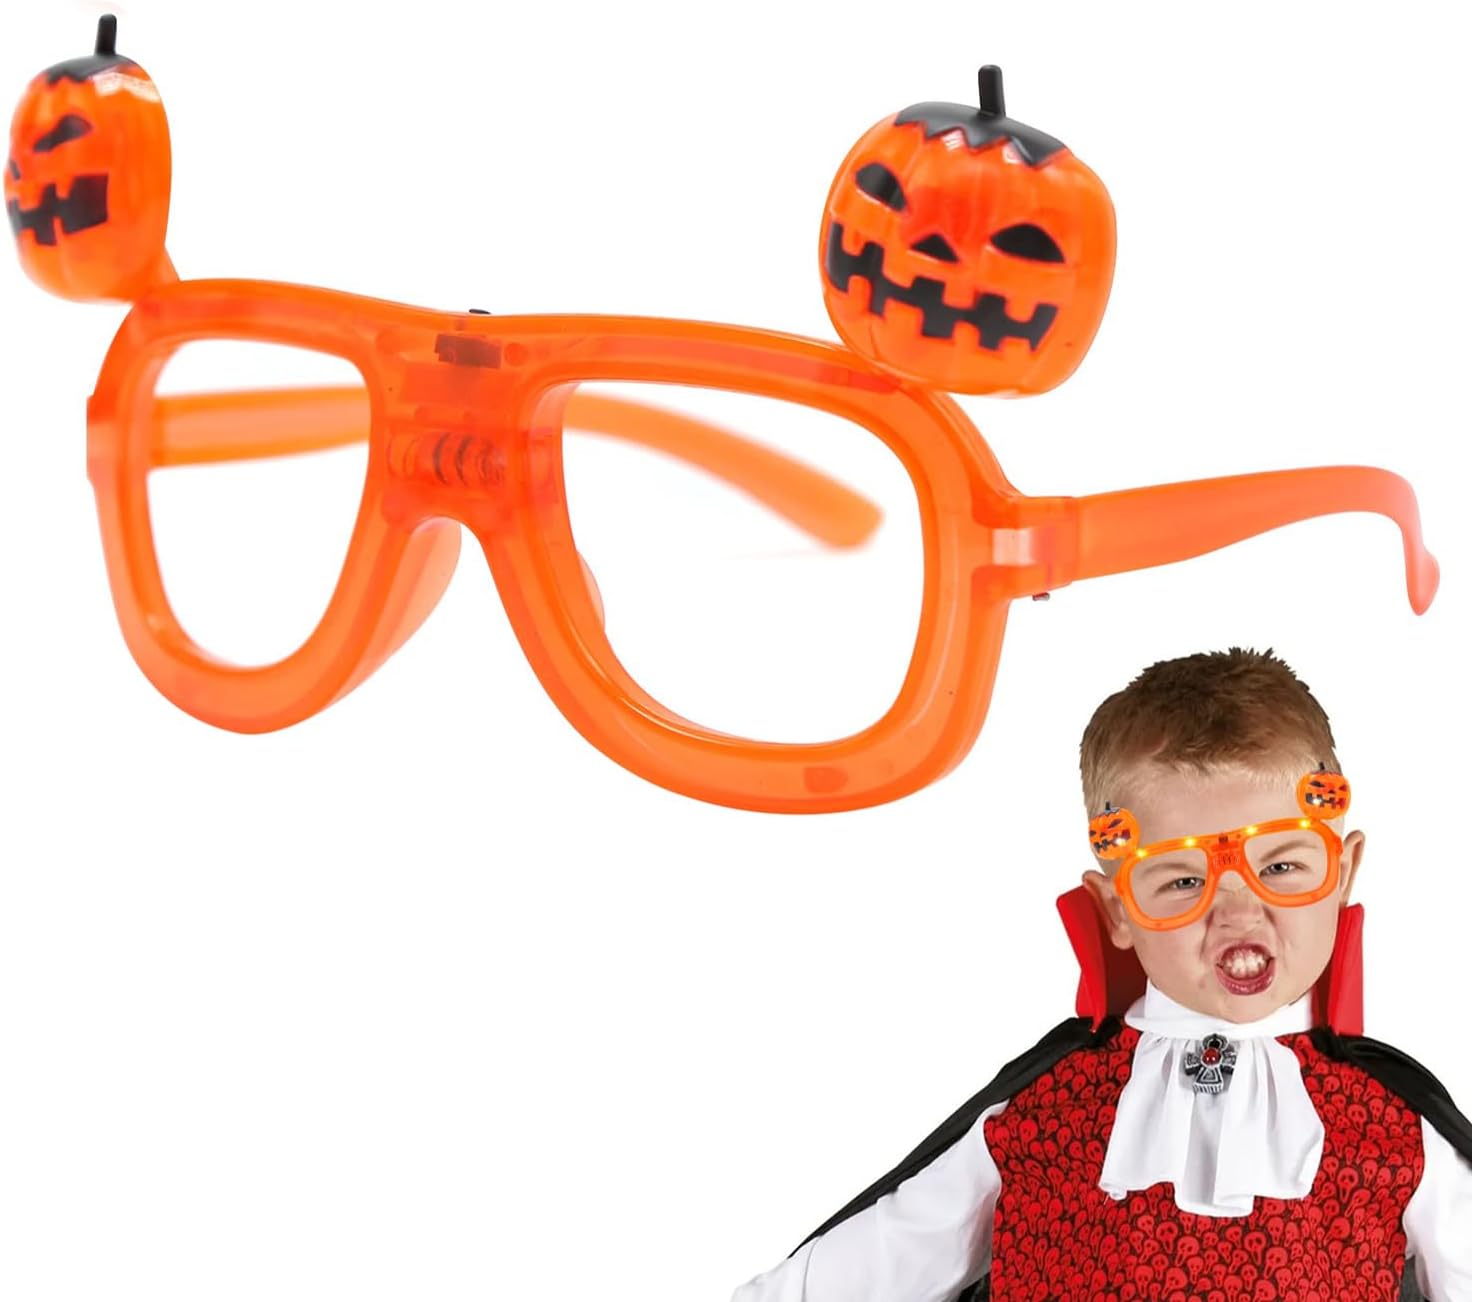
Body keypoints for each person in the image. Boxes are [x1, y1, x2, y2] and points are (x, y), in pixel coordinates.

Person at [730, 648, 1472, 1301]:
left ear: (1341, 873)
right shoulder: (1039, 1112)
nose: (1237, 912)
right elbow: (869, 1268)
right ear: (1117, 909)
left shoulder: (1398, 1128)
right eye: (1182, 882)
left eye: (1281, 867)